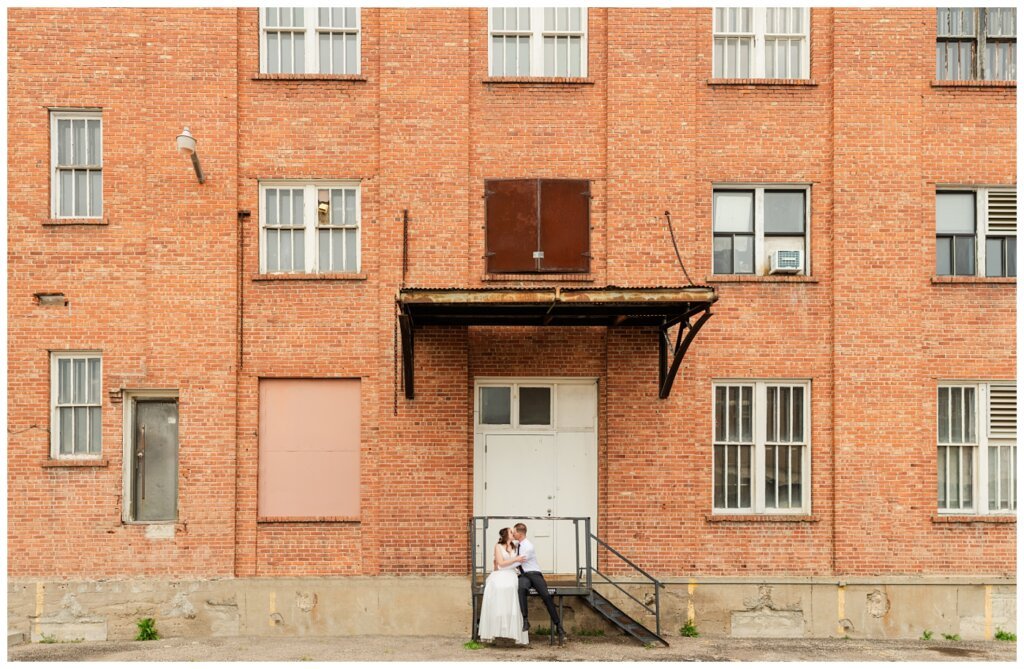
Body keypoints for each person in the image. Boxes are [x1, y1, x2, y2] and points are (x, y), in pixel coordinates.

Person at [513, 522, 566, 644]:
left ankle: (558, 626)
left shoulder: (528, 546)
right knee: (521, 589)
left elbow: (518, 562)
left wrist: (503, 564)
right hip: (524, 576)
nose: (513, 534)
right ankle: (525, 620)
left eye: (514, 532)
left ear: (520, 533)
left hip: (534, 574)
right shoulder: (517, 545)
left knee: (546, 596)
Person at [477, 527, 529, 645]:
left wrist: (517, 563)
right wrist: (516, 559)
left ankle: (513, 631)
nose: (513, 533)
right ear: (506, 534)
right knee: (498, 587)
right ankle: (496, 628)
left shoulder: (515, 546)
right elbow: (500, 563)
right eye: (511, 531)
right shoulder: (498, 546)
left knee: (511, 588)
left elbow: (519, 562)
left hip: (511, 573)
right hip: (500, 573)